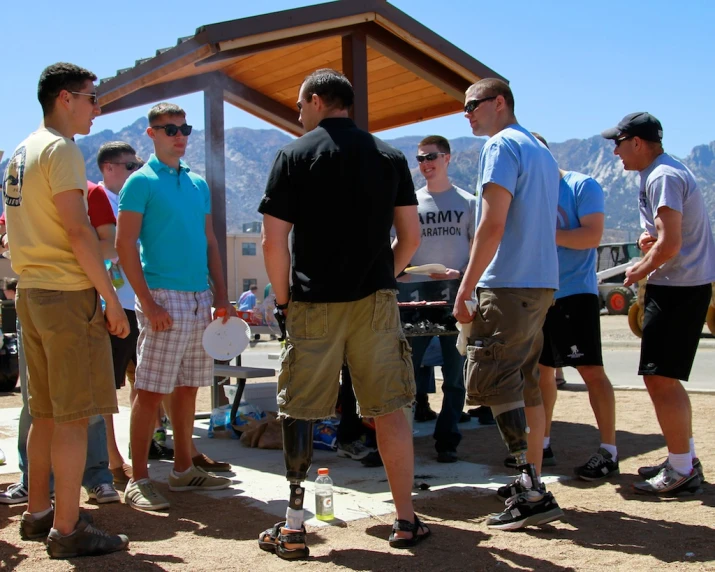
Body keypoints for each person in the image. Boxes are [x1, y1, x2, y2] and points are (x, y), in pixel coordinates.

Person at [257, 68, 426, 559]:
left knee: (300, 409)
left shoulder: (294, 154)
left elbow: (273, 240)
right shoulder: (391, 156)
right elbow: (411, 238)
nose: (297, 113)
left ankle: (292, 528)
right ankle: (405, 520)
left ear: (315, 100)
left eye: (298, 104)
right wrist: (382, 276)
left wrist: (284, 300)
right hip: (375, 300)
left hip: (313, 302)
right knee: (389, 407)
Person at [2, 62, 129, 557]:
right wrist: (111, 299)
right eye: (92, 98)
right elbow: (79, 232)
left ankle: (38, 515)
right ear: (64, 98)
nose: (98, 108)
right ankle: (68, 528)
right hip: (64, 295)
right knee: (74, 418)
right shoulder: (61, 150)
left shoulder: (21, 150)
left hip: (31, 294)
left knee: (47, 416)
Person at [454, 78, 563, 529]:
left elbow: (492, 225)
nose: (468, 114)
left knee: (495, 380)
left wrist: (466, 286)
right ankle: (533, 479)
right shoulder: (541, 151)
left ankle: (530, 489)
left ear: (499, 103)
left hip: (509, 282)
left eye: (473, 105)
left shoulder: (501, 146)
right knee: (524, 383)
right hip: (539, 283)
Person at [116, 102, 234, 512]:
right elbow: (123, 245)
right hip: (163, 297)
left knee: (188, 388)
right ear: (151, 134)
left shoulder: (198, 184)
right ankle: (139, 478)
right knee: (149, 390)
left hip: (201, 299)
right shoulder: (140, 182)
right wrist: (147, 304)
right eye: (169, 129)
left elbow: (211, 243)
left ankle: (184, 469)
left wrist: (221, 295)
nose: (179, 135)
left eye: (184, 128)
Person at [602, 112, 715, 494]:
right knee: (661, 378)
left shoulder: (662, 175)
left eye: (617, 144)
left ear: (636, 142)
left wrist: (639, 270)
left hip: (679, 288)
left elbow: (671, 244)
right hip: (680, 285)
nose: (615, 152)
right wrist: (650, 248)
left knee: (660, 379)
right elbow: (665, 237)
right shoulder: (660, 174)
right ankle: (683, 458)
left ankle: (682, 468)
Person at [503, 133, 618, 482]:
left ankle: (609, 451)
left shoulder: (582, 185)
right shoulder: (527, 195)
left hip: (574, 294)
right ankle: (543, 443)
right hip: (538, 294)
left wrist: (540, 233)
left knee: (590, 372)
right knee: (540, 374)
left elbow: (590, 237)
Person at [0, 189, 123, 507]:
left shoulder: (90, 192)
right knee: (41, 406)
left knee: (83, 405)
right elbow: (7, 236)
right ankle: (48, 502)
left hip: (64, 293)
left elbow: (109, 245)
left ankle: (93, 479)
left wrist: (52, 250)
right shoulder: (34, 184)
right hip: (54, 294)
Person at [397, 135, 476, 462]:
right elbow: (397, 249)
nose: (425, 164)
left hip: (455, 295)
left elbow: (478, 249)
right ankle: (401, 441)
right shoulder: (410, 203)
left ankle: (448, 440)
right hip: (415, 295)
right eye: (420, 159)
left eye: (431, 156)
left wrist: (463, 276)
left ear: (447, 158)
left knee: (455, 376)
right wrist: (403, 271)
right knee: (407, 373)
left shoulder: (469, 202)